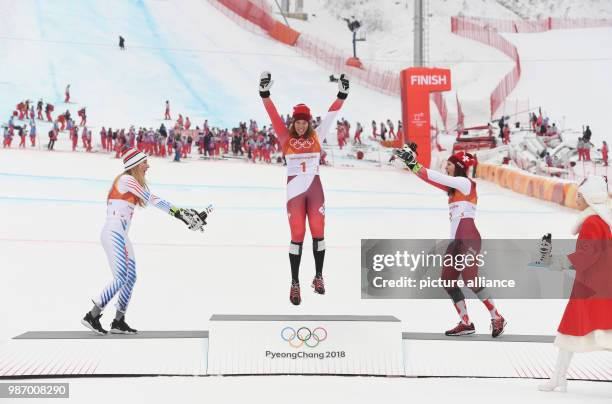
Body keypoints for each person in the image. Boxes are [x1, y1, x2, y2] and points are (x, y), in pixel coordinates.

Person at [81, 148, 210, 335]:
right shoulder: (126, 179)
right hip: (113, 232)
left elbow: (150, 198)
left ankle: (118, 321)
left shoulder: (132, 183)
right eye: (144, 162)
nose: (148, 166)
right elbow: (153, 199)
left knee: (130, 277)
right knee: (121, 277)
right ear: (134, 165)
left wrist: (182, 214)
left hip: (121, 235)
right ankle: (92, 315)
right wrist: (180, 214)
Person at [395, 145, 507, 337]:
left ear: (458, 166)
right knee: (447, 280)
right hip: (456, 241)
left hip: (469, 238)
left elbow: (437, 177)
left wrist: (413, 161)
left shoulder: (464, 182)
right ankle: (466, 322)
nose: (445, 167)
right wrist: (410, 163)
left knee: (470, 279)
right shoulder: (454, 188)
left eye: (448, 164)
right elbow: (428, 177)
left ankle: (497, 317)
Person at [259, 71, 349, 305]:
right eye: (297, 122)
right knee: (297, 236)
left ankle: (318, 276)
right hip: (295, 194)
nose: (300, 126)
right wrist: (264, 93)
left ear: (309, 122)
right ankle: (295, 283)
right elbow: (273, 115)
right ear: (293, 123)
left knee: (319, 234)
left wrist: (342, 93)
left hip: (315, 191)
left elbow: (332, 114)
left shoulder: (318, 135)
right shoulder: (285, 137)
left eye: (304, 122)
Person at [538, 176, 612, 392]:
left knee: (574, 332)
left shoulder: (592, 223)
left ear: (588, 198)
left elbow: (587, 256)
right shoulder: (601, 221)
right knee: (573, 332)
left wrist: (557, 262)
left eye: (579, 195)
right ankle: (558, 378)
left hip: (592, 289)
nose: (576, 199)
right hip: (598, 286)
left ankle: (558, 379)